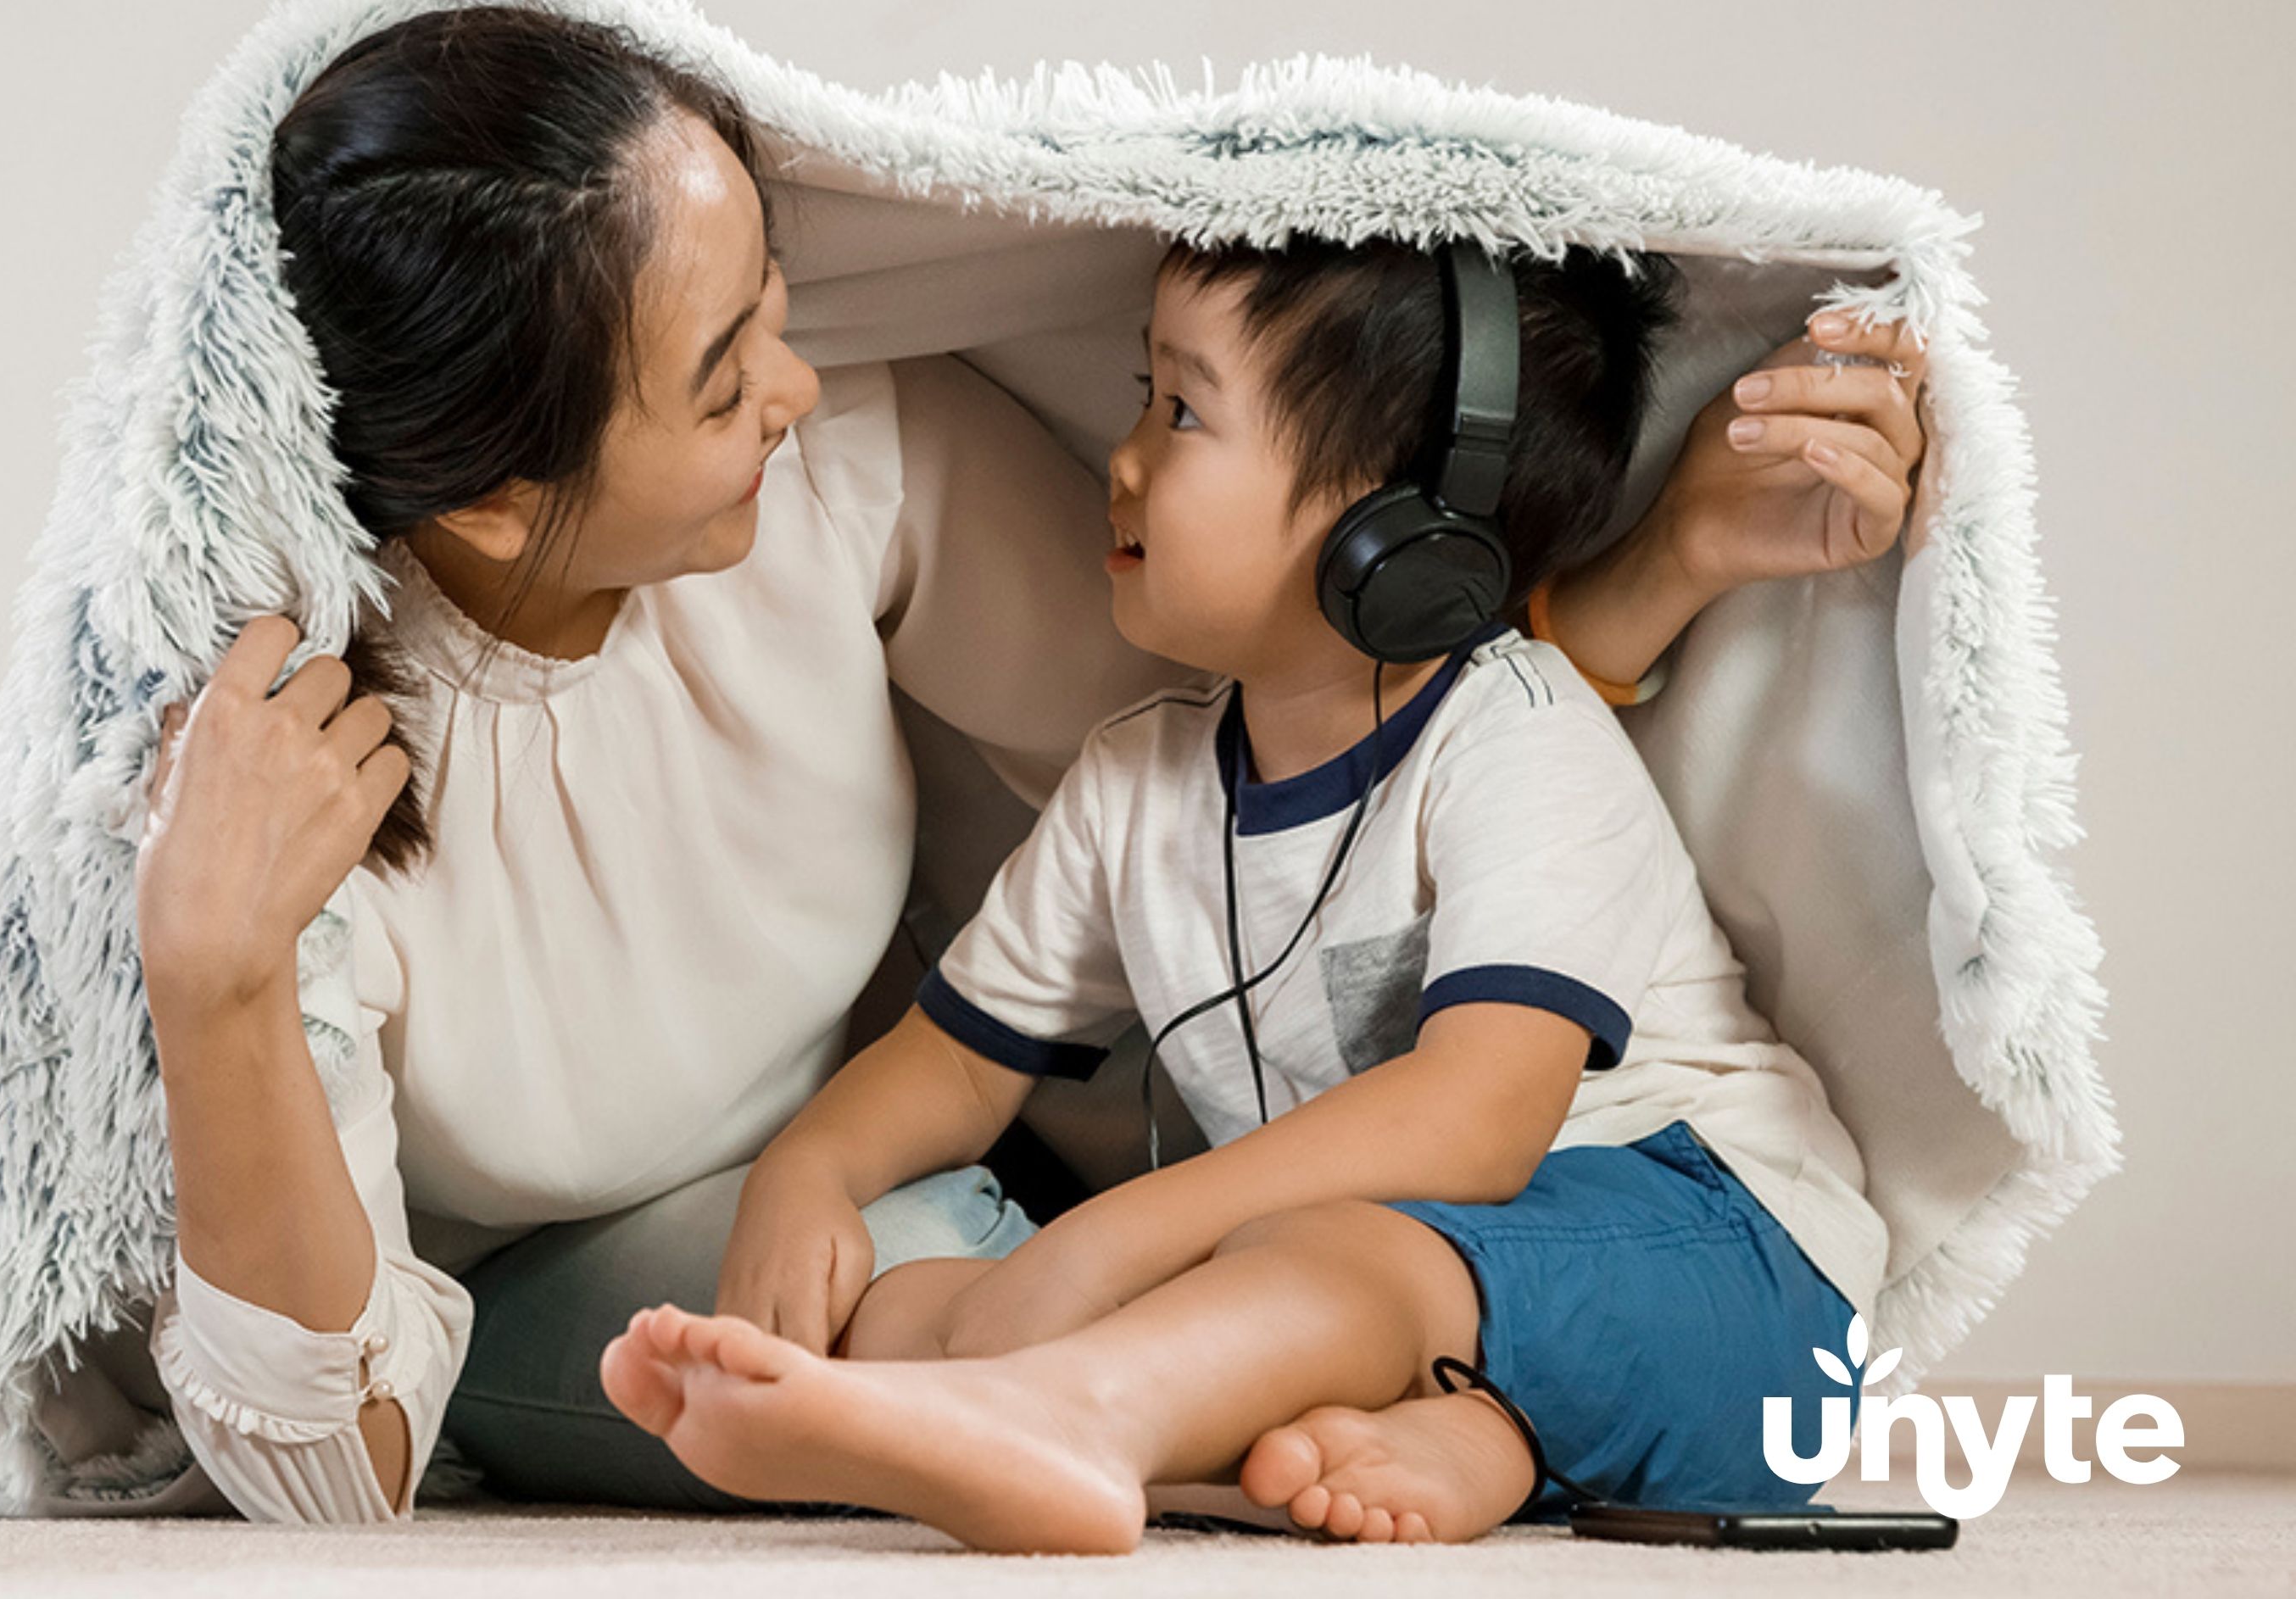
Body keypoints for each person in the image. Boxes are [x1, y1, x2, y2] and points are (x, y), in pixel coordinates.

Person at [97, 2, 1933, 1524]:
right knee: (1106, 1298)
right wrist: (222, 982)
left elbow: (1410, 774)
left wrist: (1664, 559)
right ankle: (1364, 1439)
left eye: (781, 314)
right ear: (500, 497)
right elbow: (962, 1050)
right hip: (1379, 1261)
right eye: (727, 375)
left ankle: (1105, 1414)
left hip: (1683, 1218)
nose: (802, 390)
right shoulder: (297, 766)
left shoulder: (899, 488)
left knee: (1328, 1269)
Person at [599, 232, 1910, 1552]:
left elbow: (1479, 1123)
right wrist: (807, 1174)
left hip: (1728, 1266)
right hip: (1406, 1295)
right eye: (1139, 397)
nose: (1123, 457)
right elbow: (953, 1066)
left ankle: (1078, 1417)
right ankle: (1452, 1443)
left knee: (1305, 1263)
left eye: (1182, 411)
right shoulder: (1138, 779)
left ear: (1397, 530)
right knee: (928, 1301)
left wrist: (1106, 1245)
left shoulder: (1522, 730)